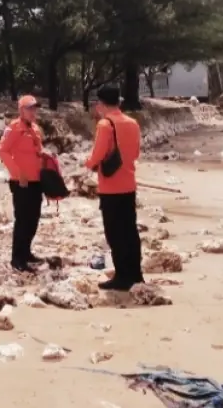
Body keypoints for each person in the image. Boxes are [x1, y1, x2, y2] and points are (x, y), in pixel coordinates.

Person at [85, 84, 144, 291]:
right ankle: (136, 274)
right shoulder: (132, 123)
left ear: (100, 104)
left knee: (114, 232)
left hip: (110, 187)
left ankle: (122, 276)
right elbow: (136, 153)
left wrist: (88, 164)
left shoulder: (105, 125)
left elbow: (98, 155)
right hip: (129, 184)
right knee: (130, 231)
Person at [0, 95, 45, 273]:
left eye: (35, 108)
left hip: (36, 181)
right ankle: (17, 258)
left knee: (33, 219)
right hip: (21, 183)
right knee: (23, 220)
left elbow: (36, 151)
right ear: (21, 110)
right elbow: (2, 151)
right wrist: (18, 174)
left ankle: (26, 252)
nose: (33, 112)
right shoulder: (14, 128)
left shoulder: (35, 129)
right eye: (30, 108)